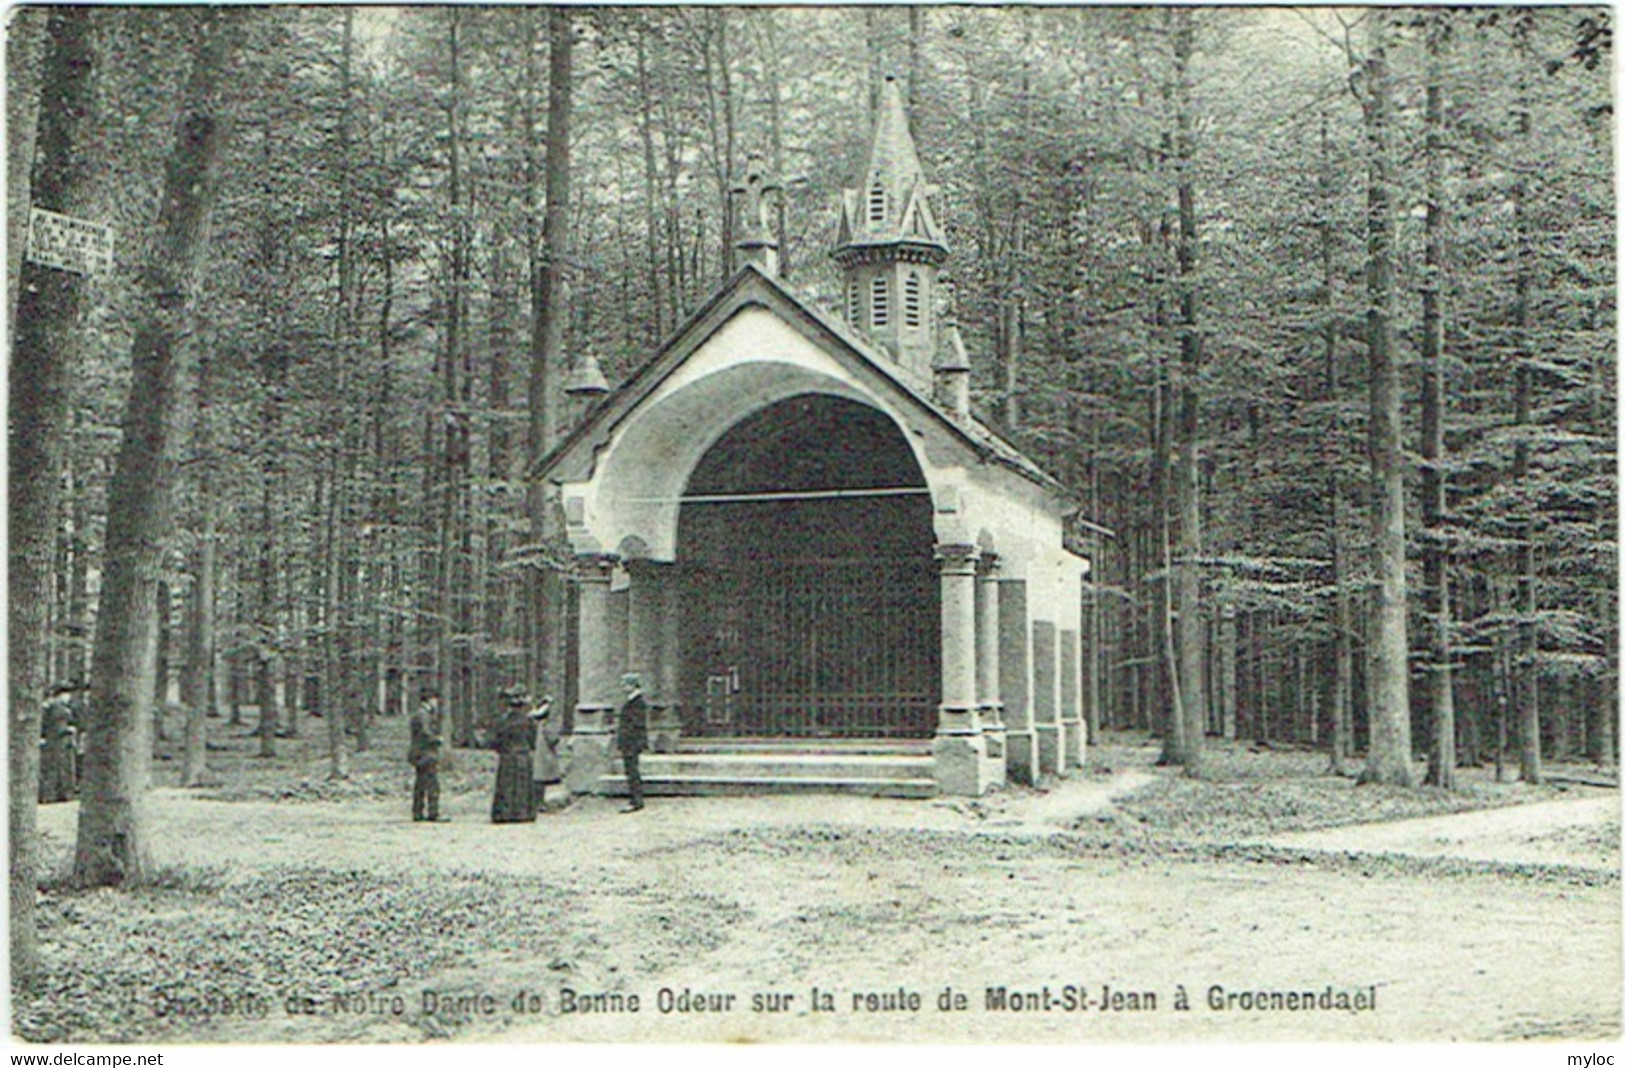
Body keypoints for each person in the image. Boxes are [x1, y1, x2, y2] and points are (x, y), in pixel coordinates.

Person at [491, 686, 537, 823]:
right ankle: (523, 813)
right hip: (523, 755)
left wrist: (501, 749)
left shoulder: (502, 721)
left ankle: (504, 814)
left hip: (507, 756)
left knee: (506, 786)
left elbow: (495, 739)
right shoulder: (528, 721)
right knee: (522, 785)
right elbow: (532, 739)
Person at [408, 689, 443, 822]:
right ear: (430, 700)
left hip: (420, 753)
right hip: (426, 753)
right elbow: (425, 733)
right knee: (432, 783)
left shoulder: (419, 714)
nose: (437, 703)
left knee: (421, 784)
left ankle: (418, 812)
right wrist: (437, 739)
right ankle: (433, 812)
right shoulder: (423, 715)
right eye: (435, 700)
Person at [616, 673, 649, 813]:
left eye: (625, 684)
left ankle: (636, 801)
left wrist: (626, 740)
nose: (623, 687)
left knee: (632, 771)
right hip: (630, 742)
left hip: (631, 742)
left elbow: (635, 725)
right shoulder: (633, 701)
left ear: (632, 685)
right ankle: (635, 799)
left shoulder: (637, 702)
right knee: (631, 771)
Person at [529, 695, 561, 811]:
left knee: (538, 778)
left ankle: (537, 802)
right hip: (543, 753)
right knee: (540, 778)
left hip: (536, 752)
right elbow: (553, 739)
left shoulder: (534, 722)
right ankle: (539, 803)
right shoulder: (545, 725)